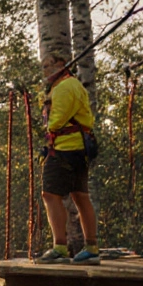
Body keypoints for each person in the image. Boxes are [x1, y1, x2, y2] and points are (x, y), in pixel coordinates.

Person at [37, 52, 100, 265]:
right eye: (43, 67)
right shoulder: (74, 85)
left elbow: (56, 121)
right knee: (80, 195)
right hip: (79, 149)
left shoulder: (64, 87)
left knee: (50, 195)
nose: (45, 71)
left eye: (49, 65)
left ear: (62, 65)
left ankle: (60, 247)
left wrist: (46, 130)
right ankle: (91, 247)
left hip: (64, 149)